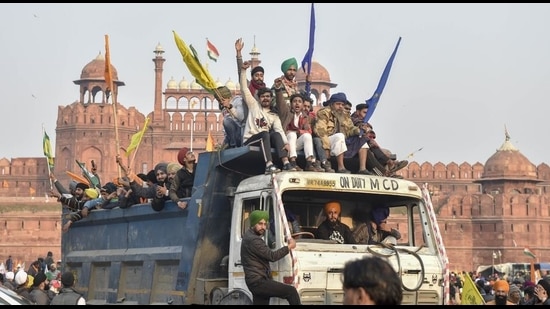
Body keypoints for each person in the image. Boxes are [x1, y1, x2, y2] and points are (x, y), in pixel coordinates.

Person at [237, 38, 296, 174]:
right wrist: (243, 70)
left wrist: (286, 143)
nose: (265, 99)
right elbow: (244, 88)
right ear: (259, 98)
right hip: (250, 139)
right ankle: (269, 164)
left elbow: (280, 130)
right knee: (264, 133)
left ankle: (286, 163)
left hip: (264, 139)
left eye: (268, 97)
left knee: (275, 134)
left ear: (271, 99)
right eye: (263, 97)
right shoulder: (254, 106)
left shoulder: (273, 115)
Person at [240, 210, 301, 305]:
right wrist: (289, 247)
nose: (263, 227)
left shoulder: (249, 236)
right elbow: (272, 256)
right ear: (253, 223)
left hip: (254, 282)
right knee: (291, 291)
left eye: (265, 224)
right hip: (258, 281)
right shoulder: (254, 240)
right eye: (260, 224)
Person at [314, 92, 370, 174]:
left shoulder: (345, 115)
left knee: (362, 139)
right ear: (332, 104)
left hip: (343, 141)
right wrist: (326, 148)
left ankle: (362, 169)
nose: (340, 106)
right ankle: (341, 168)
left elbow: (350, 129)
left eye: (342, 104)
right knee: (339, 136)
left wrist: (359, 130)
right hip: (329, 141)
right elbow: (320, 131)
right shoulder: (324, 112)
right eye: (338, 104)